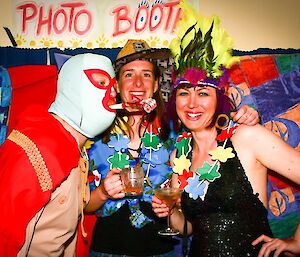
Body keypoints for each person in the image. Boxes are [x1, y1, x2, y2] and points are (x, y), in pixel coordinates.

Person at [83, 38, 260, 257]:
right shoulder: (94, 135)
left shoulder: (179, 132)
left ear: (156, 84)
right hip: (106, 250)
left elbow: (216, 132)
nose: (138, 83)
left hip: (164, 251)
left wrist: (246, 117)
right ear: (117, 85)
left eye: (146, 74)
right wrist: (102, 193)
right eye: (129, 74)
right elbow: (84, 206)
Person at [151, 1, 300, 257]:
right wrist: (171, 212)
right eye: (184, 93)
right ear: (174, 100)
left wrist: (297, 243)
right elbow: (187, 228)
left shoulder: (247, 137)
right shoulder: (179, 157)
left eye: (203, 93)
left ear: (219, 99)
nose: (192, 103)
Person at [0, 53, 117, 257]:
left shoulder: (72, 147)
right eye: (101, 82)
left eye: (114, 86)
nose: (112, 92)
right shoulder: (36, 148)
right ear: (74, 86)